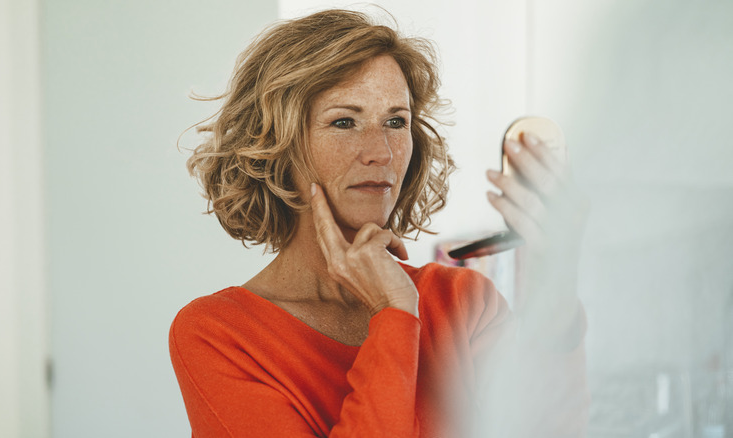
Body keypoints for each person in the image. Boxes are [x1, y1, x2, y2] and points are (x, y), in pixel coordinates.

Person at [170, 8, 590, 438]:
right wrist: (392, 314)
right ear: (276, 146)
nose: (382, 152)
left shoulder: (463, 303)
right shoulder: (218, 334)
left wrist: (557, 285)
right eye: (344, 121)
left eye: (395, 121)